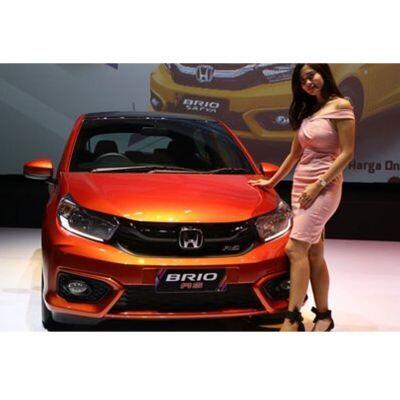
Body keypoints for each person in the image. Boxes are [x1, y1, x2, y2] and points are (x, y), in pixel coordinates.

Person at [249, 64, 356, 331]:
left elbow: (347, 153)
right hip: (301, 186)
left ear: (324, 74)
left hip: (324, 187)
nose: (308, 82)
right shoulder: (309, 111)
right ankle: (324, 316)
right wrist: (272, 181)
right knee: (315, 253)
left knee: (295, 249)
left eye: (311, 75)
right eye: (302, 80)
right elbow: (294, 155)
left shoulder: (341, 105)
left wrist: (319, 185)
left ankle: (292, 318)